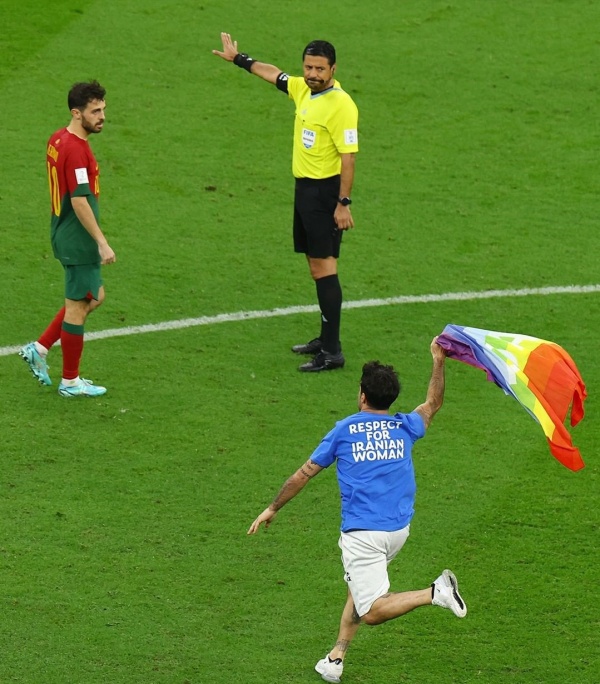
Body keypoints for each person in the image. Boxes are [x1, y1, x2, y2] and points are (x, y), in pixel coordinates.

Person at [248, 339, 466, 682]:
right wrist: (438, 361)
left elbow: (303, 475)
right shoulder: (404, 425)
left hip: (364, 535)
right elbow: (433, 403)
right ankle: (336, 657)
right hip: (398, 532)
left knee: (372, 611)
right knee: (358, 587)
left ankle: (435, 592)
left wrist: (272, 507)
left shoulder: (345, 430)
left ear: (362, 395)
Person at [213, 33, 359, 372]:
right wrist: (240, 59)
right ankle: (326, 338)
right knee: (314, 265)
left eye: (319, 69)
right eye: (308, 67)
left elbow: (349, 157)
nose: (312, 74)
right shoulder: (304, 89)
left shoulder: (342, 105)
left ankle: (332, 351)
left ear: (333, 69)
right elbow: (274, 74)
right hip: (305, 191)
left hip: (325, 194)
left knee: (324, 267)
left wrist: (343, 203)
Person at [19, 80, 116, 397]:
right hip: (78, 238)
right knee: (78, 306)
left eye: (103, 109)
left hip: (63, 230)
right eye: (95, 111)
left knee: (94, 296)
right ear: (77, 113)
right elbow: (79, 200)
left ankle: (40, 348)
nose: (102, 116)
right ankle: (70, 382)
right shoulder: (75, 151)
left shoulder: (58, 138)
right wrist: (101, 242)